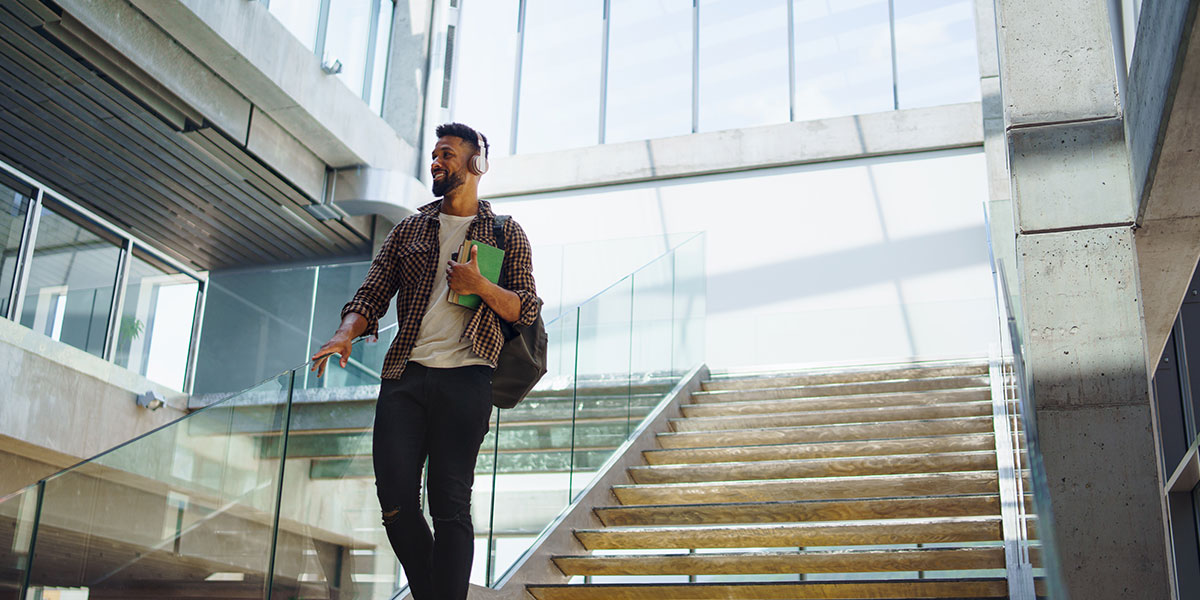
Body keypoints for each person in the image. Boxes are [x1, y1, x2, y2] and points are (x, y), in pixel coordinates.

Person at [309, 122, 540, 600]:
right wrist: (343, 334)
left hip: (469, 377)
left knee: (450, 503)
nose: (436, 162)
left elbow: (527, 307)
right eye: (434, 155)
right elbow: (371, 293)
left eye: (448, 154)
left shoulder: (505, 232)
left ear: (477, 164)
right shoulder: (409, 229)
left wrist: (480, 286)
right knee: (394, 501)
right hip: (405, 377)